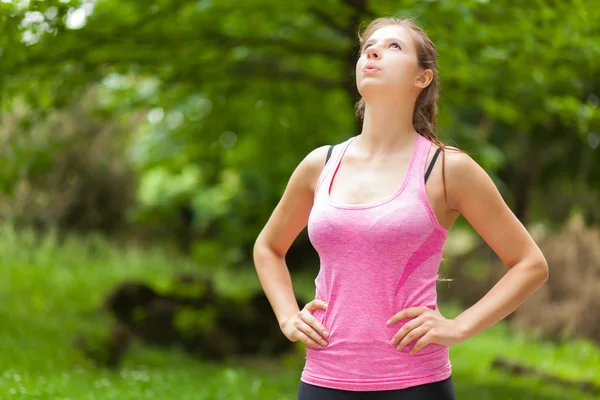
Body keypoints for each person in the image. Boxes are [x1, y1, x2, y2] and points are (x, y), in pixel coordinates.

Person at [253, 17, 549, 400]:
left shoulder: (445, 168)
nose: (373, 52)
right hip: (323, 380)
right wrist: (287, 316)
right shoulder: (320, 164)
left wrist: (459, 327)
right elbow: (268, 248)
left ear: (421, 78)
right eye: (368, 48)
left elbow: (530, 263)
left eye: (394, 47)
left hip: (414, 383)